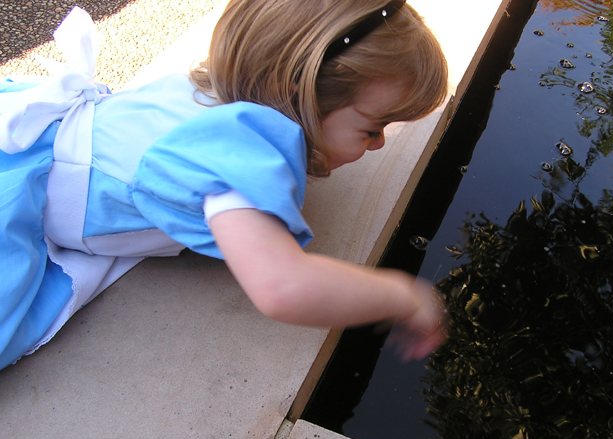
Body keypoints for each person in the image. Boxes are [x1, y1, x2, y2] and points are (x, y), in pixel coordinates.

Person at [0, 0, 449, 371]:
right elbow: (282, 287)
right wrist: (402, 296)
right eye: (372, 128)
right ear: (296, 90)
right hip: (21, 202)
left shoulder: (215, 91)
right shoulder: (233, 159)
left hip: (35, 145)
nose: (379, 144)